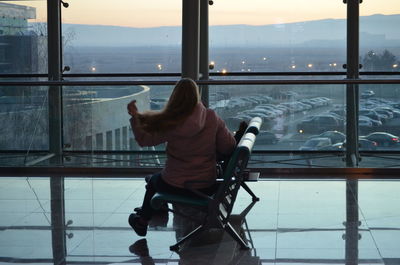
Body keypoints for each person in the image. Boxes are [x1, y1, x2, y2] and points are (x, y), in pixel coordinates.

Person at [127, 78, 238, 237]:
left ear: (175, 97)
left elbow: (144, 140)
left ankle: (142, 221)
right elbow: (228, 146)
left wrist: (134, 116)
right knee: (156, 179)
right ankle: (151, 211)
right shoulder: (211, 117)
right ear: (196, 95)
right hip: (206, 184)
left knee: (153, 181)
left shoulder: (171, 122)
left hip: (177, 184)